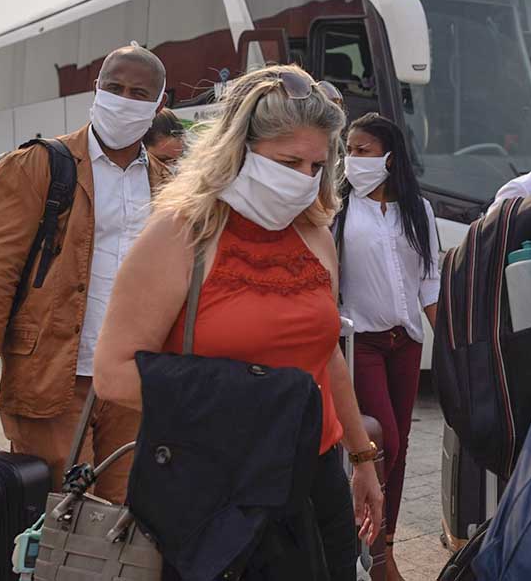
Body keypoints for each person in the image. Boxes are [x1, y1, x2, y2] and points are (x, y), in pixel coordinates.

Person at [93, 65, 384, 580]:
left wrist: (361, 457)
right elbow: (113, 374)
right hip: (219, 485)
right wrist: (259, 398)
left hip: (315, 482)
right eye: (288, 161)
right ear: (239, 150)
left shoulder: (314, 232)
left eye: (316, 165)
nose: (302, 180)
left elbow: (326, 352)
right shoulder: (182, 233)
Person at [0, 43, 170, 502]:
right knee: (60, 518)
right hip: (52, 378)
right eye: (114, 87)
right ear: (96, 90)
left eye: (138, 92)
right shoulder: (36, 167)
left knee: (120, 520)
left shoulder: (167, 183)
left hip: (134, 380)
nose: (124, 99)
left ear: (159, 104)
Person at [338, 113, 439, 581]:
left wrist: (452, 340)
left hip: (407, 341)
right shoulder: (338, 209)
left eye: (362, 150)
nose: (352, 158)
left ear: (389, 156)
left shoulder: (419, 211)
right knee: (385, 443)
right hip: (362, 341)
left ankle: (385, 550)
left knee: (399, 449)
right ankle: (372, 550)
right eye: (349, 150)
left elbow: (430, 282)